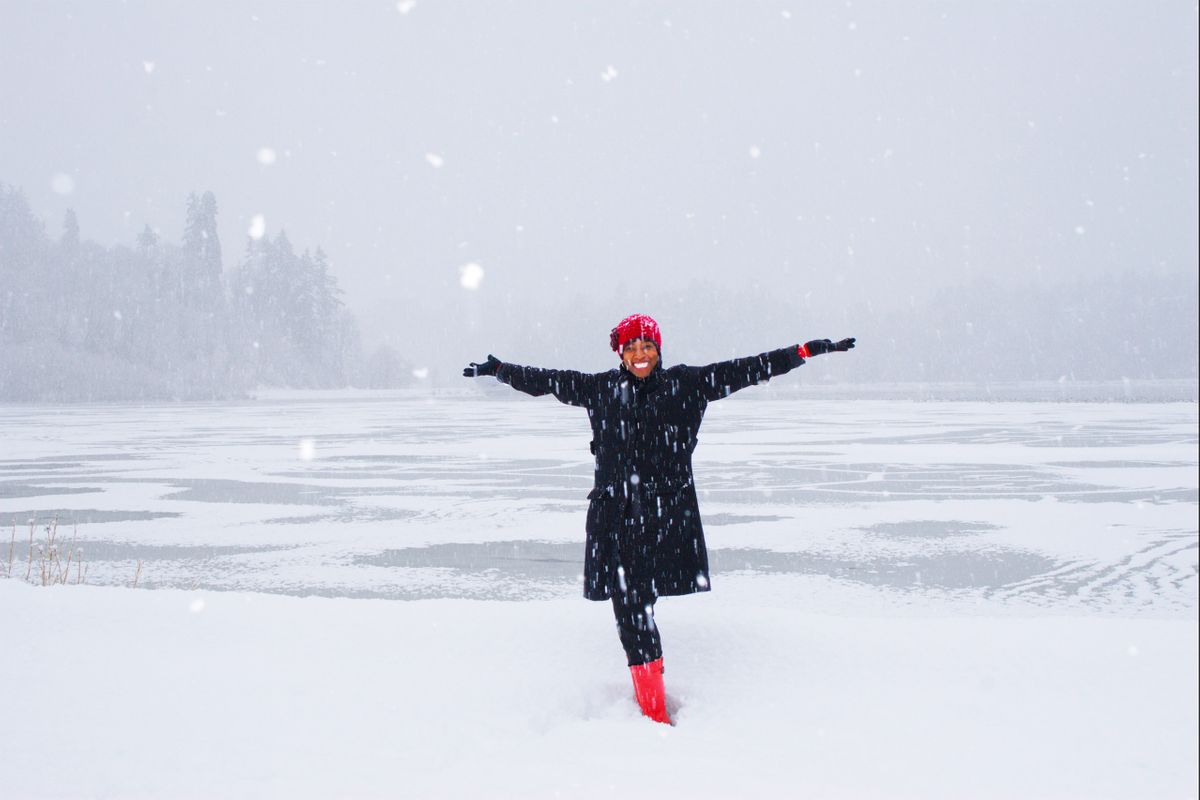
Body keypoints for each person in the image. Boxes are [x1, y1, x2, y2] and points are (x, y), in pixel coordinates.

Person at [463, 314, 855, 724]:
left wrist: (804, 352)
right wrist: (502, 371)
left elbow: (750, 368)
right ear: (620, 352)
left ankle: (652, 685)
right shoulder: (602, 389)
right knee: (630, 612)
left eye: (646, 346)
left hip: (666, 517)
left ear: (658, 349)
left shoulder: (686, 385)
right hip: (615, 519)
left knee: (640, 607)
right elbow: (548, 381)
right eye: (631, 347)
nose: (639, 354)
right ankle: (654, 707)